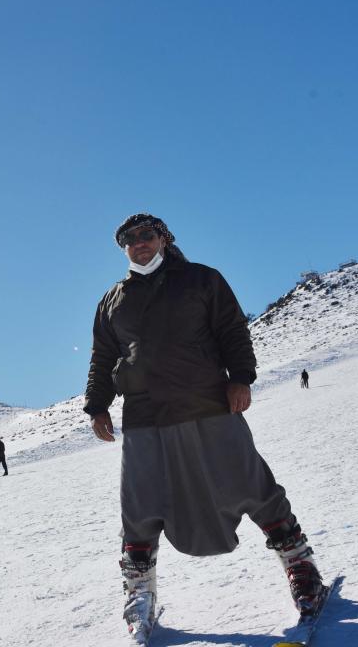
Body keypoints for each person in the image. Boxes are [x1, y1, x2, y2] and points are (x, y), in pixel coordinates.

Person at [82, 214, 325, 643]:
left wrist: (241, 377)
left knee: (248, 482)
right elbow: (103, 358)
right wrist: (97, 406)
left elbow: (232, 329)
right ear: (122, 249)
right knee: (140, 504)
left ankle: (300, 567)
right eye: (129, 240)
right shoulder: (112, 300)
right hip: (144, 416)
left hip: (207, 402)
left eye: (146, 235)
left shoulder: (201, 280)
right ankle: (140, 594)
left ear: (162, 238)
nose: (139, 243)